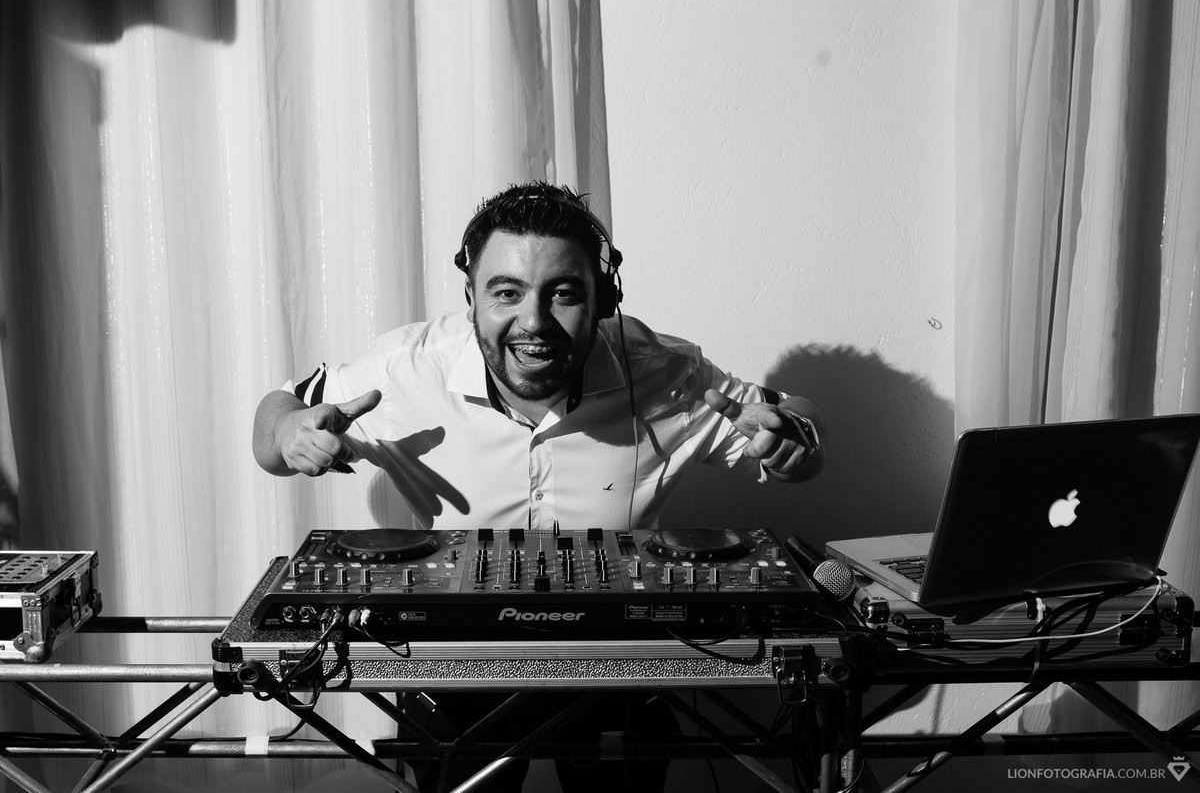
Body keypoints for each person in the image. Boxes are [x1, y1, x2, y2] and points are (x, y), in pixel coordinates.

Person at [251, 181, 825, 791]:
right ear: (471, 298)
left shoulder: (668, 375)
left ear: (604, 299)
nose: (533, 322)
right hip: (454, 663)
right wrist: (287, 431)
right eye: (507, 293)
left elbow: (795, 423)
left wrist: (796, 439)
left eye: (564, 293)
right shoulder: (405, 371)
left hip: (623, 661)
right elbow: (276, 418)